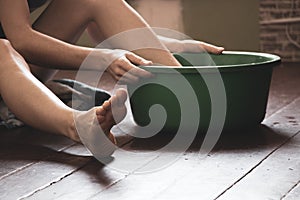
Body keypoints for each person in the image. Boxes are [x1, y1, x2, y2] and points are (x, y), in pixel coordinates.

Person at [0, 0, 224, 156]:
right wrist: (101, 59)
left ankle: (188, 92)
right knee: (2, 48)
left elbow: (97, 22)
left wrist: (170, 47)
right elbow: (21, 39)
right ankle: (76, 125)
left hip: (14, 65)